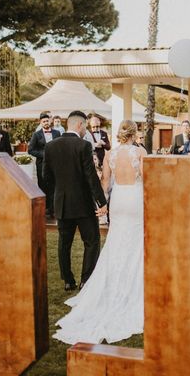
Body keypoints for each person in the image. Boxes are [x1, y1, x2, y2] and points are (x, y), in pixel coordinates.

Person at [53, 119, 144, 345]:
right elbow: (147, 178)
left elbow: (104, 181)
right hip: (135, 198)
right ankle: (134, 285)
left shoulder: (110, 154)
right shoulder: (140, 151)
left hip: (118, 200)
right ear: (134, 134)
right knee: (135, 241)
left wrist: (101, 205)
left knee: (115, 241)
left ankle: (111, 282)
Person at [44, 111, 108, 294]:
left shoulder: (50, 147)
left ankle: (68, 281)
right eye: (86, 126)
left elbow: (46, 177)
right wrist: (101, 202)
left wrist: (58, 194)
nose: (86, 129)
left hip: (62, 204)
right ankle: (85, 281)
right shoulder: (84, 145)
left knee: (64, 243)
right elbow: (90, 177)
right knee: (92, 241)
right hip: (83, 205)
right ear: (79, 125)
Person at [29, 113, 61, 218]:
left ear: (50, 121)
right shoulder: (36, 135)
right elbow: (30, 150)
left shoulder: (57, 133)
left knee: (55, 186)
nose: (46, 123)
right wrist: (44, 154)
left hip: (55, 165)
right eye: (44, 121)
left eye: (47, 121)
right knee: (42, 186)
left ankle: (54, 210)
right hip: (41, 165)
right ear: (40, 122)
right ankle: (44, 209)